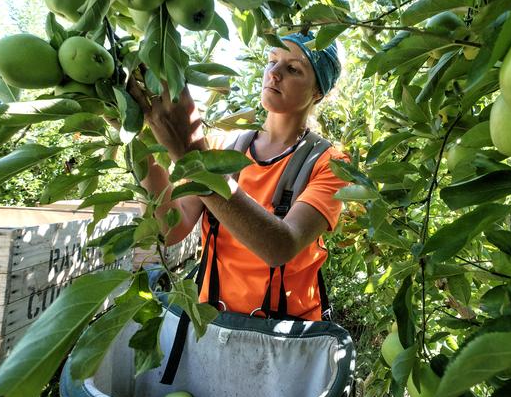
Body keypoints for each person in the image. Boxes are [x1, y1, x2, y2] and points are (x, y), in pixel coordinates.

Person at [127, 32, 349, 321]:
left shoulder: (329, 163)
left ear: (318, 92)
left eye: (293, 68)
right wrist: (138, 142)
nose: (275, 74)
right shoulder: (222, 147)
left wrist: (194, 160)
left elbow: (281, 246)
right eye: (272, 62)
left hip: (286, 338)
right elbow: (169, 230)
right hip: (215, 325)